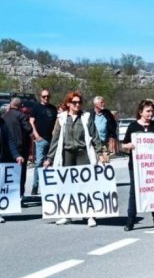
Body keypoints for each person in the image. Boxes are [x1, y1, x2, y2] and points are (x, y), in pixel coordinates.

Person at [43, 92, 108, 227]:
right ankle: (67, 215)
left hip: (82, 153)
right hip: (67, 154)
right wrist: (49, 158)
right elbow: (55, 140)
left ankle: (90, 215)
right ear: (68, 104)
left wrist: (101, 152)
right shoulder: (61, 118)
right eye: (74, 102)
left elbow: (94, 136)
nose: (77, 105)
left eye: (79, 102)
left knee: (86, 185)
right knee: (66, 185)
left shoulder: (86, 117)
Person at [122, 99, 154, 233]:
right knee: (134, 193)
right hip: (135, 165)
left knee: (153, 192)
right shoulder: (133, 127)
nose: (150, 114)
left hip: (153, 166)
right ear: (140, 112)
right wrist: (127, 146)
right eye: (148, 111)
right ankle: (130, 221)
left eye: (152, 111)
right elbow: (124, 144)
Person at [2, 97, 33, 200]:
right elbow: (28, 129)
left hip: (6, 148)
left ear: (10, 105)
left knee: (9, 172)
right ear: (21, 106)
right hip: (20, 148)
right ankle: (20, 193)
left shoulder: (4, 116)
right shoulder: (22, 116)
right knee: (21, 172)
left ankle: (9, 193)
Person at [30, 89, 58, 195]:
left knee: (51, 163)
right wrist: (36, 135)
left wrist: (55, 135)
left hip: (52, 140)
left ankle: (48, 187)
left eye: (48, 96)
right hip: (41, 140)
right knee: (39, 163)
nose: (46, 98)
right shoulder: (36, 107)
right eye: (44, 96)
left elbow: (56, 122)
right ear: (40, 97)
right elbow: (31, 122)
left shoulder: (53, 108)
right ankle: (35, 187)